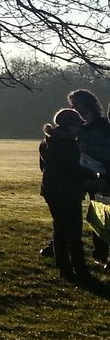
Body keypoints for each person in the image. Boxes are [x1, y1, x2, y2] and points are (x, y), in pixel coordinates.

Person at [39, 108, 92, 282]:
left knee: (60, 229)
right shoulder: (67, 144)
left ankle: (64, 267)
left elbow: (44, 167)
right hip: (68, 190)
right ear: (70, 126)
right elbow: (71, 168)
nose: (79, 129)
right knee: (74, 231)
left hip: (51, 188)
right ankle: (79, 268)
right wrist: (93, 174)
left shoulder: (47, 142)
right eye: (77, 125)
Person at [69, 89, 110, 267]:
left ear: (88, 103)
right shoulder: (77, 128)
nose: (75, 107)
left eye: (77, 103)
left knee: (102, 215)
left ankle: (102, 252)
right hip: (83, 176)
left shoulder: (104, 126)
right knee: (78, 214)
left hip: (103, 176)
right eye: (73, 104)